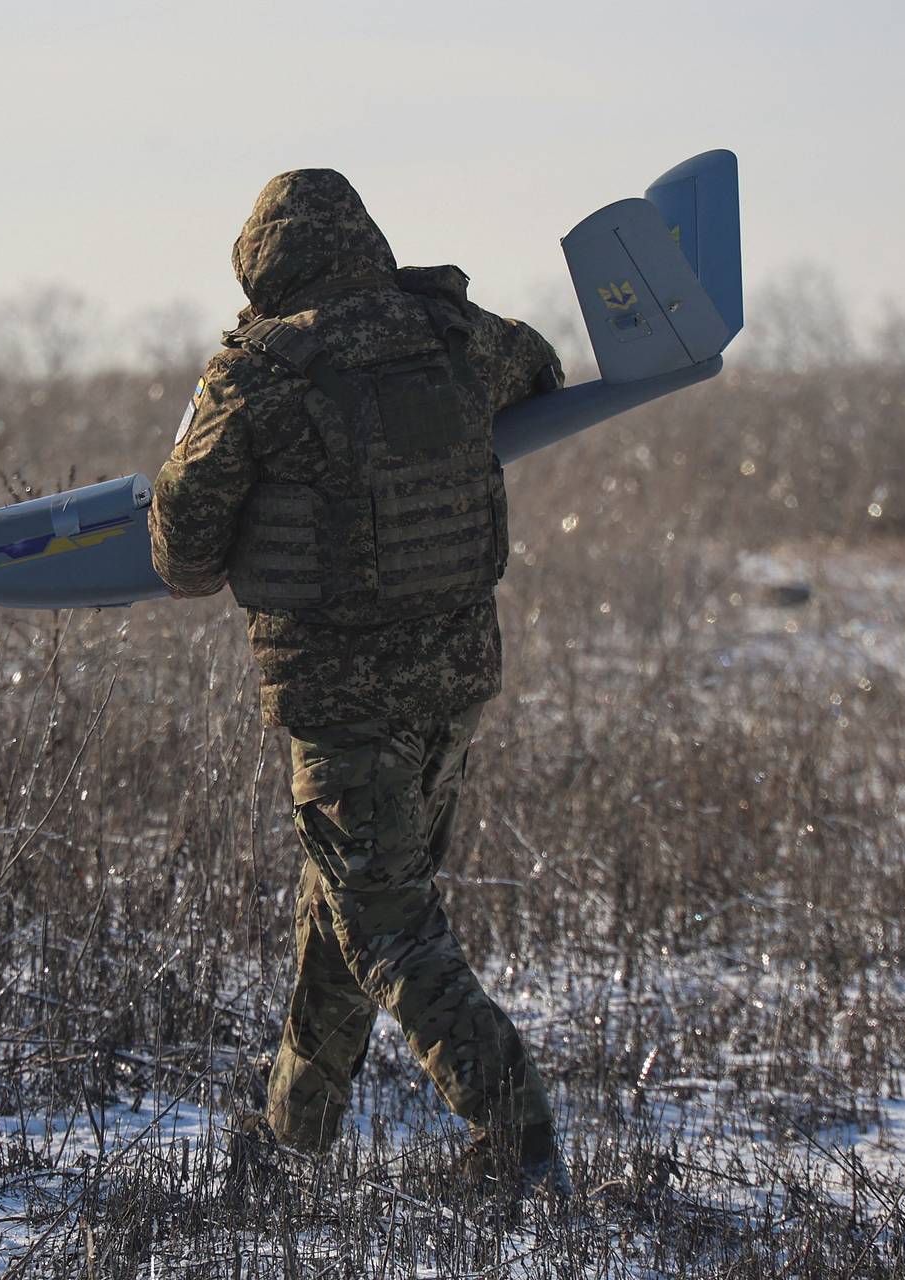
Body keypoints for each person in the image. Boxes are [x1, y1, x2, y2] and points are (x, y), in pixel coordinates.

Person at [148, 169, 566, 1194]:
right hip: (452, 682)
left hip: (340, 699)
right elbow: (545, 368)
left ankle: (516, 1142)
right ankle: (291, 1134)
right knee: (343, 902)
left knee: (381, 922)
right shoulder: (456, 334)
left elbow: (184, 553)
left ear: (263, 264)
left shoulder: (256, 370)